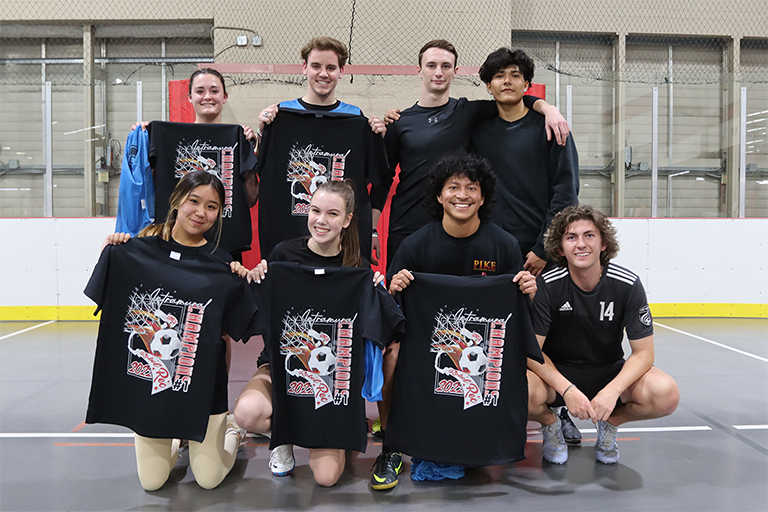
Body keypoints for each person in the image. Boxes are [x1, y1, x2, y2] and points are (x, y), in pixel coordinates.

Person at [371, 152, 537, 490]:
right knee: (391, 357)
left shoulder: (503, 245)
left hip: (483, 347)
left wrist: (527, 289)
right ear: (438, 194)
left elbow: (516, 309)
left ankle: (489, 436)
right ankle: (391, 446)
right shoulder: (415, 244)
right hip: (425, 343)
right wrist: (395, 285)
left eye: (471, 188)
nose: (462, 195)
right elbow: (390, 306)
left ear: (483, 196)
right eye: (453, 187)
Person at [86, 170, 257, 491]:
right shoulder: (135, 251)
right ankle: (176, 437)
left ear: (220, 213)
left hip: (202, 394)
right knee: (152, 483)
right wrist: (113, 252)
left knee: (208, 480)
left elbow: (239, 326)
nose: (201, 213)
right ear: (177, 201)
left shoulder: (222, 266)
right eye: (194, 201)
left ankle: (232, 432)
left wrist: (246, 276)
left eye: (212, 206)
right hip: (151, 392)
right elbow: (108, 291)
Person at [233, 180, 397, 487]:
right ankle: (282, 437)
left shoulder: (356, 270)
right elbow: (254, 304)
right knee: (246, 413)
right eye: (315, 210)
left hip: (331, 383)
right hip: (281, 371)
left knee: (326, 478)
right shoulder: (282, 255)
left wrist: (376, 290)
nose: (321, 220)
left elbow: (383, 329)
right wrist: (254, 276)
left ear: (347, 220)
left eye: (332, 214)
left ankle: (313, 428)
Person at [370, 39, 571, 268]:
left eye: (446, 66)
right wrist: (372, 230)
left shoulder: (467, 112)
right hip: (406, 226)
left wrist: (549, 109)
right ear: (419, 71)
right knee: (400, 296)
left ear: (455, 72)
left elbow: (511, 97)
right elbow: (383, 179)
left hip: (456, 228)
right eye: (431, 65)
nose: (438, 72)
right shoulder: (399, 121)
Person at [469, 47, 581, 441]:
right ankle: (491, 407)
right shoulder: (478, 126)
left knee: (549, 335)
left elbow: (565, 193)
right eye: (499, 75)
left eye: (515, 74)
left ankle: (559, 407)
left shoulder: (552, 129)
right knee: (492, 333)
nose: (507, 81)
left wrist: (543, 249)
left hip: (540, 252)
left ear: (526, 82)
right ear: (488, 84)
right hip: (491, 252)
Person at [527, 205, 679, 465]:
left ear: (603, 244)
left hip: (609, 372)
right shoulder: (548, 285)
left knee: (666, 394)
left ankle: (610, 423)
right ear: (561, 247)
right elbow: (533, 353)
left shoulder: (627, 285)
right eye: (571, 237)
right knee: (515, 389)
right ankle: (550, 423)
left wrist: (612, 391)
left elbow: (644, 353)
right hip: (558, 376)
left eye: (589, 235)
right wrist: (568, 390)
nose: (581, 244)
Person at [253, 36, 387, 264]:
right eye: (316, 66)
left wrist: (371, 230)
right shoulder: (279, 116)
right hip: (289, 246)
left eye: (331, 68)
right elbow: (258, 173)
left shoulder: (356, 119)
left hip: (343, 247)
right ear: (304, 68)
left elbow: (381, 180)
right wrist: (261, 133)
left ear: (341, 71)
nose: (323, 74)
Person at [120, 67, 258, 262]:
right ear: (190, 97)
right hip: (175, 244)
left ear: (225, 96)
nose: (207, 96)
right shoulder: (165, 137)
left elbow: (250, 198)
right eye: (200, 91)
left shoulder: (240, 138)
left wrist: (249, 147)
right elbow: (149, 184)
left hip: (225, 246)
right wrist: (143, 137)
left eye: (214, 91)